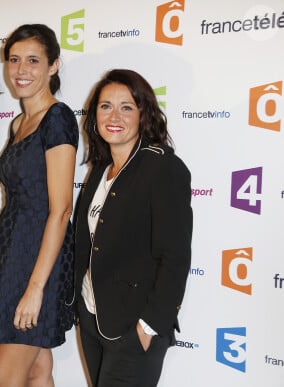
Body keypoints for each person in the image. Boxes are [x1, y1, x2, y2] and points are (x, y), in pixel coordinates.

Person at [74, 69, 192, 387]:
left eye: (126, 107)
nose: (114, 116)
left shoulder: (162, 168)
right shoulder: (101, 168)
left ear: (144, 113)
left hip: (133, 328)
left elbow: (176, 257)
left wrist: (149, 327)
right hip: (92, 317)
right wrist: (79, 306)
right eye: (105, 106)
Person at [0, 24, 78, 386]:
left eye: (34, 60)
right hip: (12, 253)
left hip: (39, 260)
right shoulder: (19, 121)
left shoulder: (58, 119)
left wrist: (35, 289)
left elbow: (61, 210)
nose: (21, 70)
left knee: (2, 380)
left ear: (53, 66)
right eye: (14, 60)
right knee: (36, 371)